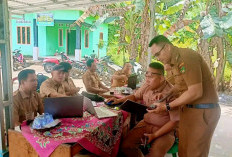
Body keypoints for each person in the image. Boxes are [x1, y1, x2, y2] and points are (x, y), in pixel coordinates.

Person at [148, 35, 220, 157]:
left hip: (202, 111)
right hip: (188, 110)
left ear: (167, 48)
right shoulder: (174, 62)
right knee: (184, 152)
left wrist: (167, 106)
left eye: (157, 54)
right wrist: (165, 96)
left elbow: (195, 91)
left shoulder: (186, 57)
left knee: (195, 153)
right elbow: (181, 86)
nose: (157, 58)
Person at [108, 62, 179, 157]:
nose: (147, 79)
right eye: (146, 75)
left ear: (162, 78)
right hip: (146, 124)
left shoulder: (171, 92)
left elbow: (174, 122)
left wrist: (154, 135)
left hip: (164, 130)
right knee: (125, 146)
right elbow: (135, 96)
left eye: (151, 76)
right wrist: (118, 100)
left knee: (155, 154)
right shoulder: (147, 85)